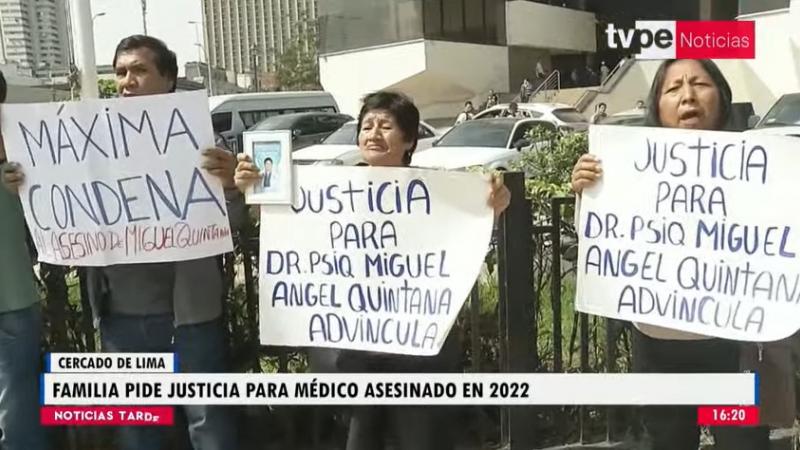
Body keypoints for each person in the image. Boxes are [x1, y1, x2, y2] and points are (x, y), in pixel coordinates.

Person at [235, 90, 511, 450]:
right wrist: (254, 189)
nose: (373, 134)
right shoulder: (328, 191)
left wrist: (494, 202)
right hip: (349, 352)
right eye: (367, 126)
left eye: (386, 126)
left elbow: (469, 227)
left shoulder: (437, 192)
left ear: (409, 140)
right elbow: (285, 228)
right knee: (356, 438)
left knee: (419, 438)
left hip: (415, 350)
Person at [3, 35, 242, 450]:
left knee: (208, 423)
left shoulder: (202, 143)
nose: (127, 81)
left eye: (139, 70)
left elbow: (233, 223)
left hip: (190, 316)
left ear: (169, 79)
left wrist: (233, 186)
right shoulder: (88, 143)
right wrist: (25, 186)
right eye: (120, 72)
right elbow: (56, 213)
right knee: (138, 428)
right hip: (121, 318)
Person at [571, 59, 775, 450]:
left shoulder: (759, 166)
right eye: (673, 88)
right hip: (658, 347)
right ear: (657, 105)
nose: (688, 96)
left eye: (700, 84)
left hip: (736, 350)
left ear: (722, 96)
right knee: (668, 440)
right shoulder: (628, 166)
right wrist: (589, 193)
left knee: (742, 442)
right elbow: (603, 240)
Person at [0, 71, 48, 450]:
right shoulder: (19, 162)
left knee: (17, 406)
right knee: (16, 404)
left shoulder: (18, 168)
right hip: (14, 300)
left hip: (13, 302)